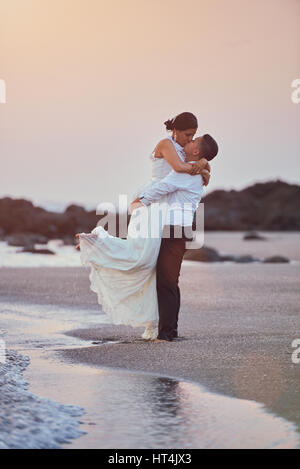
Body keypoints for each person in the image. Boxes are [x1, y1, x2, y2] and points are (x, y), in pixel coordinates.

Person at [76, 112, 213, 340]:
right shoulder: (166, 144)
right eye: (188, 135)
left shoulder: (187, 155)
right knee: (141, 254)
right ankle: (96, 242)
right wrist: (202, 165)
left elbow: (185, 173)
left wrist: (203, 164)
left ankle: (160, 326)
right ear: (176, 130)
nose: (190, 140)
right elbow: (178, 169)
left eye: (194, 137)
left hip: (165, 209)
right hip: (155, 204)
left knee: (151, 265)